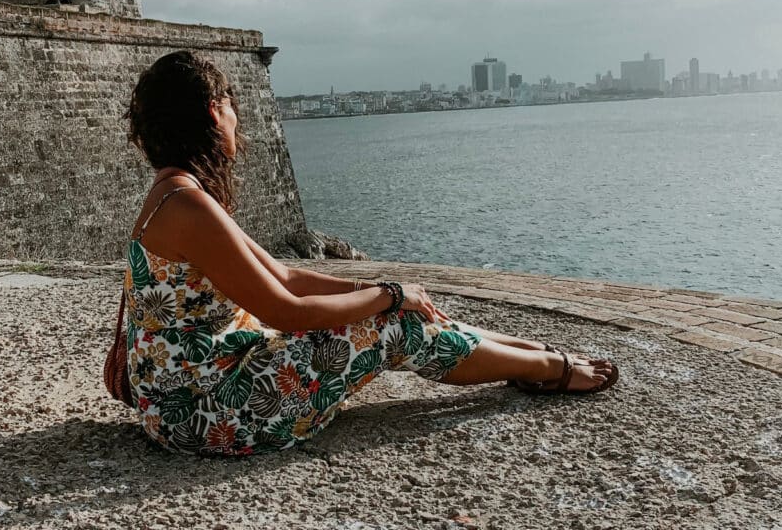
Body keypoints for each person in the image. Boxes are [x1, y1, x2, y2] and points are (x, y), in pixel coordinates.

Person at [123, 51, 618, 456]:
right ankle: (544, 369)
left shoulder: (175, 193)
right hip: (203, 414)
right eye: (232, 108)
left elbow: (286, 275)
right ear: (213, 111)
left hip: (187, 399)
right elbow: (286, 310)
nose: (237, 122)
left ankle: (531, 353)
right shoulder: (189, 206)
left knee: (403, 310)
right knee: (393, 325)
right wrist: (386, 298)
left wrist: (387, 292)